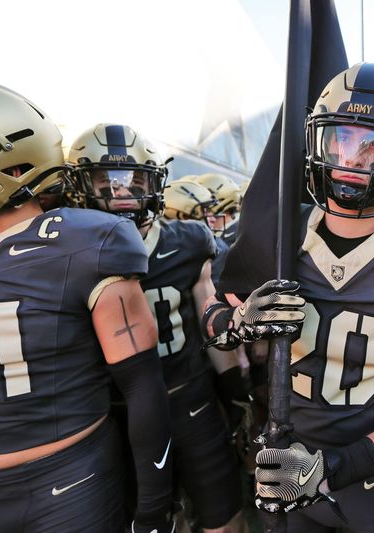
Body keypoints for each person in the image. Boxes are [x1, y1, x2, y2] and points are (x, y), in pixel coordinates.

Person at [204, 62, 374, 532]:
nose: (352, 159)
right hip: (283, 460)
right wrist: (239, 321)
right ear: (316, 142)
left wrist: (329, 472)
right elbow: (214, 319)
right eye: (341, 140)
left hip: (372, 475)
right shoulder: (277, 231)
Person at [0, 77, 173, 532]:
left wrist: (154, 506)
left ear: (4, 159)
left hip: (66, 487)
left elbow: (142, 388)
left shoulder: (87, 240)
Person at [67, 124, 246, 533]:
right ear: (80, 186)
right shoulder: (69, 253)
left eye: (135, 181)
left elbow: (210, 324)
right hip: (113, 414)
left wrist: (235, 383)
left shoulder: (189, 241)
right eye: (106, 182)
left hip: (189, 399)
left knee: (223, 515)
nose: (123, 193)